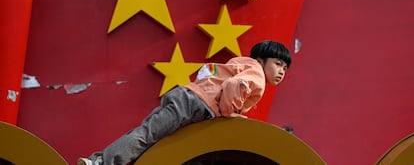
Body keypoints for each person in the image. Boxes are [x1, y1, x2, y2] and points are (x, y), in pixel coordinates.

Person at [78, 40, 291, 165]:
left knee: (151, 136)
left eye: (285, 68)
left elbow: (210, 74)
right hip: (195, 105)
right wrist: (229, 112)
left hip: (187, 97)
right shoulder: (257, 76)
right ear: (261, 61)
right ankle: (101, 163)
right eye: (277, 64)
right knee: (148, 136)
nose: (281, 71)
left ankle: (104, 160)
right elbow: (235, 86)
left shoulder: (241, 63)